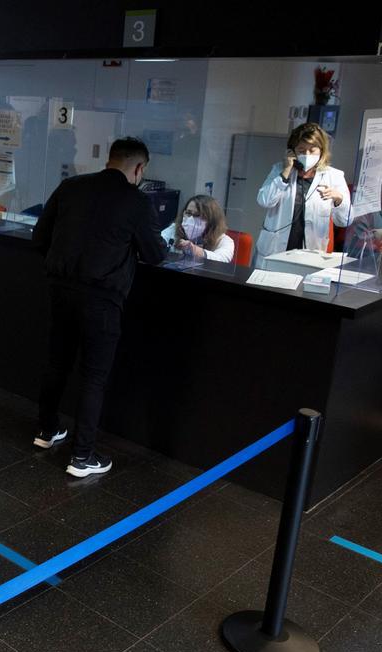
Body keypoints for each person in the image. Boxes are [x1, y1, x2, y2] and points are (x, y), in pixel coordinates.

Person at [30, 137, 167, 477]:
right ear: (138, 168)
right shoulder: (136, 202)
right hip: (102, 300)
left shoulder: (70, 187)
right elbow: (156, 254)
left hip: (60, 290)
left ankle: (47, 431)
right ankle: (82, 456)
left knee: (57, 363)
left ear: (109, 160)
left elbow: (39, 238)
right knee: (94, 377)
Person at [255, 122, 351, 265]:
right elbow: (264, 200)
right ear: (292, 151)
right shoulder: (279, 170)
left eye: (312, 150)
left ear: (322, 151)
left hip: (311, 250)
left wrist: (338, 199)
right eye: (301, 150)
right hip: (275, 249)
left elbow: (344, 221)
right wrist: (285, 172)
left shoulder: (334, 176)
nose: (306, 155)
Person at [162, 195, 235, 263]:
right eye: (188, 213)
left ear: (212, 220)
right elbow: (157, 242)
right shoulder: (173, 229)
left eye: (198, 215)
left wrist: (196, 251)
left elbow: (222, 259)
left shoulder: (224, 240)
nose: (191, 219)